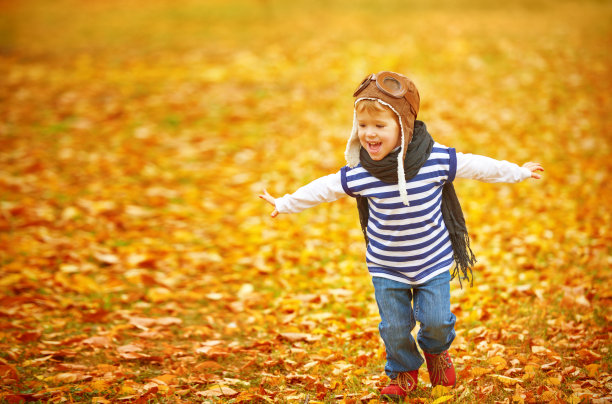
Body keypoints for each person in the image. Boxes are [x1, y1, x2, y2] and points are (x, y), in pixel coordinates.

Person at [259, 71, 543, 400]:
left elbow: (476, 165)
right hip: (386, 266)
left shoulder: (435, 160)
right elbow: (324, 188)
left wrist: (517, 172)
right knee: (394, 328)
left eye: (380, 126)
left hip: (432, 261)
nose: (369, 134)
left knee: (436, 321)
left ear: (403, 127)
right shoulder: (362, 172)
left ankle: (436, 352)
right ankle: (403, 371)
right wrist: (285, 203)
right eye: (363, 125)